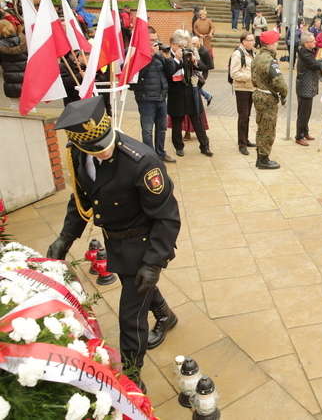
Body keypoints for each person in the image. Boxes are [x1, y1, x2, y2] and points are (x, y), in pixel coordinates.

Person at [47, 96, 181, 392]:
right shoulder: (79, 155)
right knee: (140, 289)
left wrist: (153, 262)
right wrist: (65, 238)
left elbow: (167, 218)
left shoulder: (142, 162)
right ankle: (166, 316)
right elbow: (82, 200)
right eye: (96, 147)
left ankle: (132, 377)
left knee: (130, 317)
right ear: (79, 144)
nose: (105, 149)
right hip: (116, 241)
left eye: (107, 141)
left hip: (144, 245)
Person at [164, 30, 213, 157]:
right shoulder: (166, 56)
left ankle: (205, 146)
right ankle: (179, 147)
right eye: (180, 46)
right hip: (176, 94)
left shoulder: (189, 54)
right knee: (177, 122)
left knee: (197, 120)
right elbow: (168, 73)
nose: (183, 49)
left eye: (185, 46)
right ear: (173, 44)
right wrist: (177, 59)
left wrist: (194, 61)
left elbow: (203, 67)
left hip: (191, 92)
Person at [130, 27, 175, 163]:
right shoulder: (137, 55)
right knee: (148, 130)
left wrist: (166, 58)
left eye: (156, 40)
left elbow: (170, 72)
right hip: (146, 99)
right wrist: (148, 56)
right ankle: (150, 157)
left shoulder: (159, 55)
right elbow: (136, 78)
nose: (155, 43)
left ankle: (160, 153)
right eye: (151, 40)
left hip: (161, 97)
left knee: (161, 128)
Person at [252, 30, 288, 169]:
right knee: (268, 129)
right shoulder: (269, 60)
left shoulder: (258, 56)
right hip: (267, 98)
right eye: (276, 42)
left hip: (258, 94)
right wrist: (284, 93)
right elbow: (279, 81)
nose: (277, 44)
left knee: (262, 127)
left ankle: (260, 156)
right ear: (270, 44)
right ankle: (263, 159)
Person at [230, 32, 257, 155]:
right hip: (241, 89)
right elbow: (234, 74)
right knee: (243, 116)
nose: (252, 42)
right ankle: (242, 144)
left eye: (253, 40)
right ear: (243, 41)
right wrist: (250, 76)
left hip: (251, 88)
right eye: (250, 40)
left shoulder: (253, 53)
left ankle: (245, 140)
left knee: (247, 116)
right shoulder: (237, 54)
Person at [0, 19, 26, 101]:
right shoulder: (24, 41)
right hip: (25, 78)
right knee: (29, 106)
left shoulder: (1, 45)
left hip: (10, 80)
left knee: (14, 105)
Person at [191, 36, 214, 106]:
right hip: (195, 72)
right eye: (192, 43)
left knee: (196, 88)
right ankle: (208, 96)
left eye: (195, 43)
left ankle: (199, 104)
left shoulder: (205, 51)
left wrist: (198, 63)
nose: (193, 45)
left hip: (203, 73)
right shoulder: (192, 50)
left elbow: (210, 66)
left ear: (199, 42)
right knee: (195, 88)